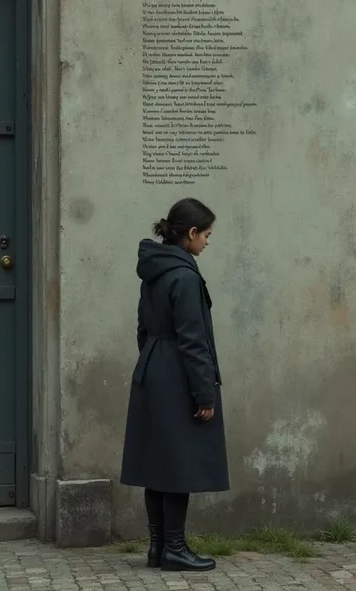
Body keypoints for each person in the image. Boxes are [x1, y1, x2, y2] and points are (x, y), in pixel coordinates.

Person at [121, 198, 229, 572]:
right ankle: (175, 548)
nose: (208, 242)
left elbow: (142, 329)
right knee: (178, 466)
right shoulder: (184, 276)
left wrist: (154, 361)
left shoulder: (154, 271)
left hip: (151, 369)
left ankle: (158, 549)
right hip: (177, 374)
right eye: (207, 235)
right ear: (191, 233)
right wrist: (205, 392)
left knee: (157, 465)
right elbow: (193, 340)